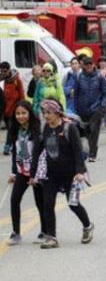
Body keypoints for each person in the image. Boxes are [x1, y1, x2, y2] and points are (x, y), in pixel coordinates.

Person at [35, 99, 94, 249]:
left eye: (49, 112)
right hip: (51, 174)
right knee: (47, 204)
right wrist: (32, 174)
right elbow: (38, 151)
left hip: (70, 174)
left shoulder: (69, 128)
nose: (46, 116)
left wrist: (80, 172)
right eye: (44, 113)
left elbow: (77, 152)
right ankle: (52, 237)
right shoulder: (44, 128)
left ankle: (87, 226)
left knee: (73, 204)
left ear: (57, 112)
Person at [6, 100, 47, 245]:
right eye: (18, 113)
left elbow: (38, 154)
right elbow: (15, 152)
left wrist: (34, 175)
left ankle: (44, 231)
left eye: (23, 113)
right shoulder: (15, 129)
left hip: (36, 173)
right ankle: (16, 233)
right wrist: (13, 172)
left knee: (40, 202)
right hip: (22, 171)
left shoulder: (37, 130)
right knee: (14, 200)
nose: (20, 116)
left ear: (29, 113)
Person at [74, 56, 106, 163]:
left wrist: (102, 106)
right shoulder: (80, 77)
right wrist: (77, 107)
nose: (89, 66)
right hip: (83, 109)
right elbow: (76, 93)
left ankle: (92, 153)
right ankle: (90, 148)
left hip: (96, 108)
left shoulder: (100, 77)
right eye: (86, 64)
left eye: (90, 64)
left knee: (94, 130)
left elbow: (105, 93)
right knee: (87, 130)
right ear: (84, 66)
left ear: (93, 65)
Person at [1, 62, 25, 156]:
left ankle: (7, 147)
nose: (3, 73)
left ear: (9, 70)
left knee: (11, 128)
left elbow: (21, 93)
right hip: (3, 109)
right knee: (10, 129)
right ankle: (14, 144)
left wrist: (22, 106)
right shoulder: (1, 80)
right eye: (1, 71)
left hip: (13, 108)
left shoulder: (16, 79)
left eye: (5, 71)